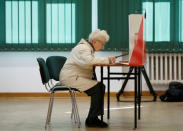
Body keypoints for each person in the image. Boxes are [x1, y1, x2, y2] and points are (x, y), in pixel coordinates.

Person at [59, 29, 116, 128]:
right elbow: (90, 61)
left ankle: (93, 118)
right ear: (95, 41)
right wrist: (108, 60)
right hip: (70, 78)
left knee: (99, 87)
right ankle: (92, 120)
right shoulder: (83, 48)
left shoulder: (86, 48)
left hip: (74, 77)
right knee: (98, 88)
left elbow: (88, 62)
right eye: (102, 44)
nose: (103, 47)